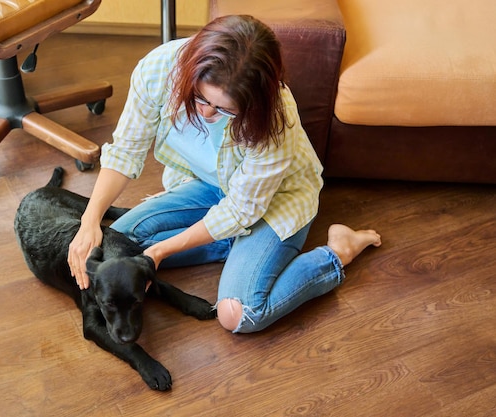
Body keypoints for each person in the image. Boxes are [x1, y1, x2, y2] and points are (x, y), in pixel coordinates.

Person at [67, 15, 381, 333]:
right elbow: (125, 151)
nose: (205, 112)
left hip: (274, 200)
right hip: (210, 184)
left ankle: (337, 252)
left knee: (240, 315)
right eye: (199, 97)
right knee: (113, 246)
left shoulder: (275, 118)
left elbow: (241, 209)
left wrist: (161, 250)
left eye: (224, 110)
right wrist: (90, 220)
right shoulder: (159, 69)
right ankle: (232, 246)